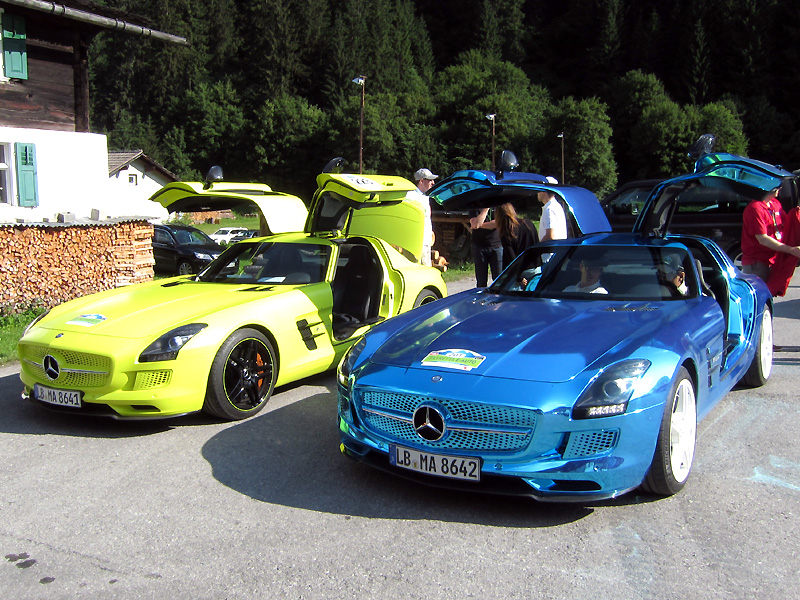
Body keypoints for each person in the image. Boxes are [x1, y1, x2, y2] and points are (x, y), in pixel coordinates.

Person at [741, 185, 800, 283]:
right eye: (777, 186)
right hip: (758, 261)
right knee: (760, 291)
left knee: (773, 290)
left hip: (774, 258)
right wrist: (791, 250)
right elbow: (762, 239)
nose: (780, 188)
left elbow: (788, 224)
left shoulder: (775, 204)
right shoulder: (755, 208)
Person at [472, 202, 538, 270]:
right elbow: (536, 243)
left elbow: (512, 260)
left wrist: (518, 275)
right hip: (535, 266)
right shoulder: (528, 223)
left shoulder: (506, 233)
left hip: (521, 270)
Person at [408, 168, 438, 266]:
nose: (433, 183)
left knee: (426, 268)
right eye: (430, 180)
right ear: (421, 181)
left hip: (425, 242)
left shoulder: (425, 196)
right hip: (415, 243)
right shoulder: (410, 196)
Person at [469, 207, 503, 287]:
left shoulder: (497, 206)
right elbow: (475, 224)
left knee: (498, 279)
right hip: (479, 246)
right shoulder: (475, 206)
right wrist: (485, 209)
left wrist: (480, 224)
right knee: (481, 280)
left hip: (496, 246)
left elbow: (498, 222)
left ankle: (497, 295)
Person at [537, 176, 568, 242]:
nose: (537, 192)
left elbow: (550, 236)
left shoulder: (550, 209)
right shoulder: (555, 206)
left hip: (550, 248)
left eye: (539, 189)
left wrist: (536, 247)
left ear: (544, 191)